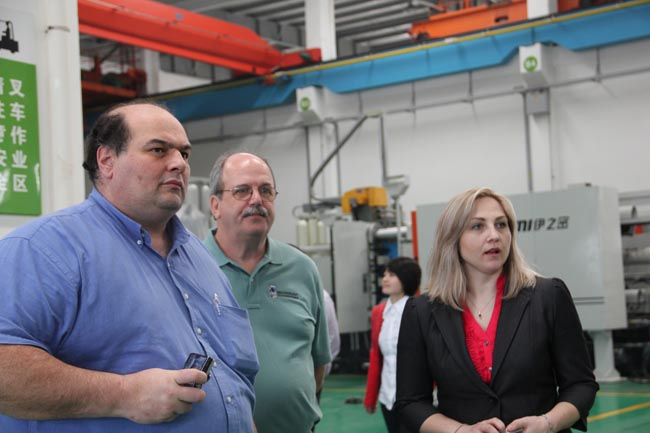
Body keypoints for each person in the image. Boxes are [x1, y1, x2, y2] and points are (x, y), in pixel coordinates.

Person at [0, 102, 259, 432]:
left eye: (184, 153)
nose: (179, 163)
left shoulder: (200, 257)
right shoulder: (42, 250)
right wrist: (123, 395)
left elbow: (234, 376)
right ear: (106, 161)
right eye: (158, 150)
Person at [395, 187, 599, 433]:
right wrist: (462, 431)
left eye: (501, 225)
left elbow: (581, 385)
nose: (494, 235)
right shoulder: (421, 312)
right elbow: (411, 402)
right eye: (477, 226)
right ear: (452, 238)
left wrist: (548, 423)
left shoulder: (548, 296)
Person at [203, 152, 332, 433]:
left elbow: (317, 361)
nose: (257, 200)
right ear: (215, 205)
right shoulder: (190, 268)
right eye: (242, 191)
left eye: (266, 190)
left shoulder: (302, 268)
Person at [365, 257, 421, 433]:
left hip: (416, 397)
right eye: (385, 275)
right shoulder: (379, 312)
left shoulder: (420, 310)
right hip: (387, 396)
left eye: (392, 275)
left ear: (406, 279)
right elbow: (376, 356)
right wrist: (371, 397)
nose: (385, 279)